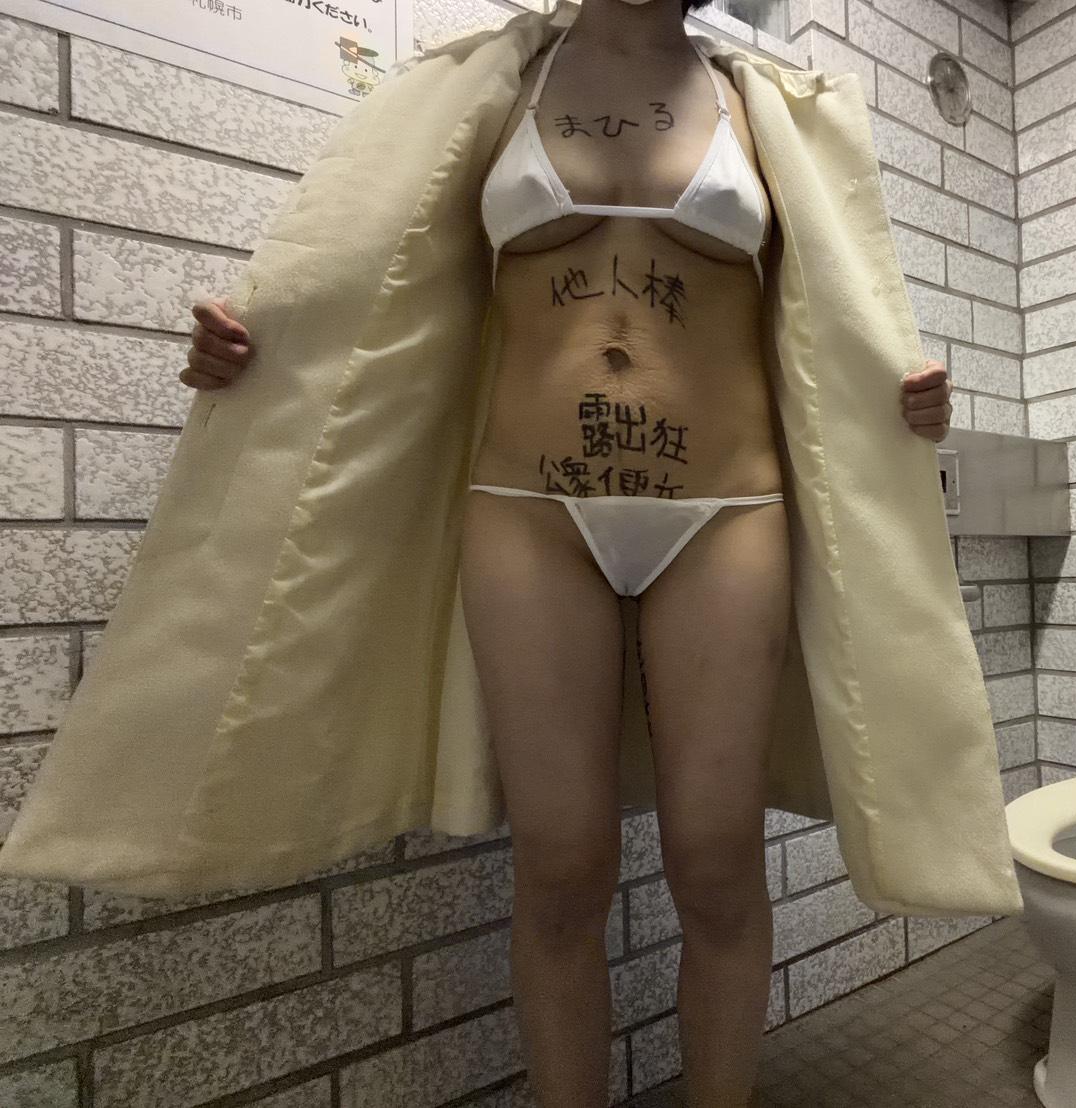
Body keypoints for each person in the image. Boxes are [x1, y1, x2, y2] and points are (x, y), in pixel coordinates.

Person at [181, 1, 955, 1102]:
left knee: (716, 861)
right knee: (559, 866)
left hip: (724, 511)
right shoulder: (489, 86)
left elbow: (836, 312)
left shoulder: (767, 105)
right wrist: (252, 350)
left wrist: (904, 404)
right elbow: (379, 280)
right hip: (529, 512)